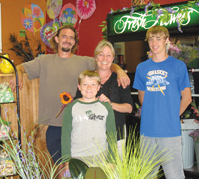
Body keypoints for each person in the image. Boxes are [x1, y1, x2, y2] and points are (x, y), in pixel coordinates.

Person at [8, 25, 130, 179]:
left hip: (80, 125)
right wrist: (17, 74)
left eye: (71, 37)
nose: (68, 40)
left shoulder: (83, 61)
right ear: (57, 39)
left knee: (81, 170)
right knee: (62, 168)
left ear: (74, 43)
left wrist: (119, 70)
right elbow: (21, 67)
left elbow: (105, 61)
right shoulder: (44, 60)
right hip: (55, 126)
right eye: (64, 36)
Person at [133, 25, 192, 179]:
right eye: (151, 39)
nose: (154, 43)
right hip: (147, 132)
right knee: (147, 175)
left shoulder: (178, 66)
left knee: (174, 176)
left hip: (170, 133)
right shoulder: (141, 68)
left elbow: (187, 98)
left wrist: (172, 116)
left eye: (158, 39)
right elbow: (142, 99)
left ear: (167, 41)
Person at [75, 41, 133, 154]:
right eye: (101, 54)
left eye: (108, 55)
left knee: (115, 170)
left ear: (113, 59)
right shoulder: (87, 78)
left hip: (116, 135)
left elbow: (129, 108)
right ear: (96, 57)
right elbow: (77, 104)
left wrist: (110, 104)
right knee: (94, 171)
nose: (104, 58)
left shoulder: (120, 79)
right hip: (90, 137)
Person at [61, 70, 116, 175]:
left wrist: (112, 160)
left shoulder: (106, 107)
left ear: (99, 87)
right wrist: (66, 160)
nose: (89, 88)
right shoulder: (71, 107)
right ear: (79, 87)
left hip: (100, 157)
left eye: (93, 85)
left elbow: (112, 134)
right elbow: (65, 135)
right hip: (76, 157)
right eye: (85, 84)